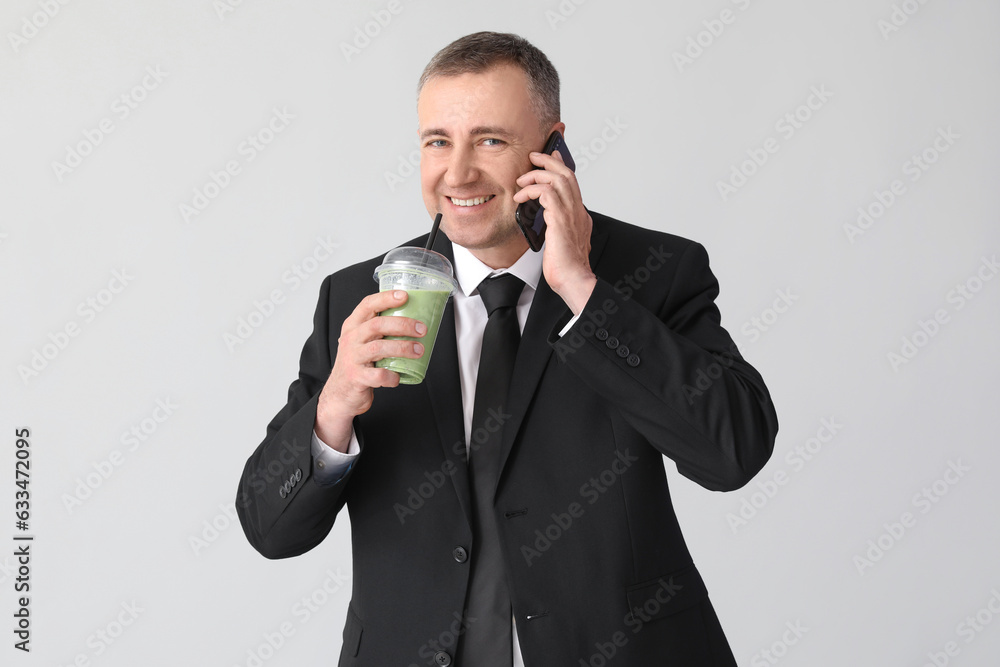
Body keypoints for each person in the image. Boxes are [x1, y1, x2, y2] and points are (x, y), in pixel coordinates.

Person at [237, 31, 778, 667]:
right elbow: (269, 529)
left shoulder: (654, 272)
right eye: (438, 142)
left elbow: (733, 453)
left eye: (489, 141)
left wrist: (582, 288)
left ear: (554, 148)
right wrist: (333, 410)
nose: (458, 173)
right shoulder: (359, 296)